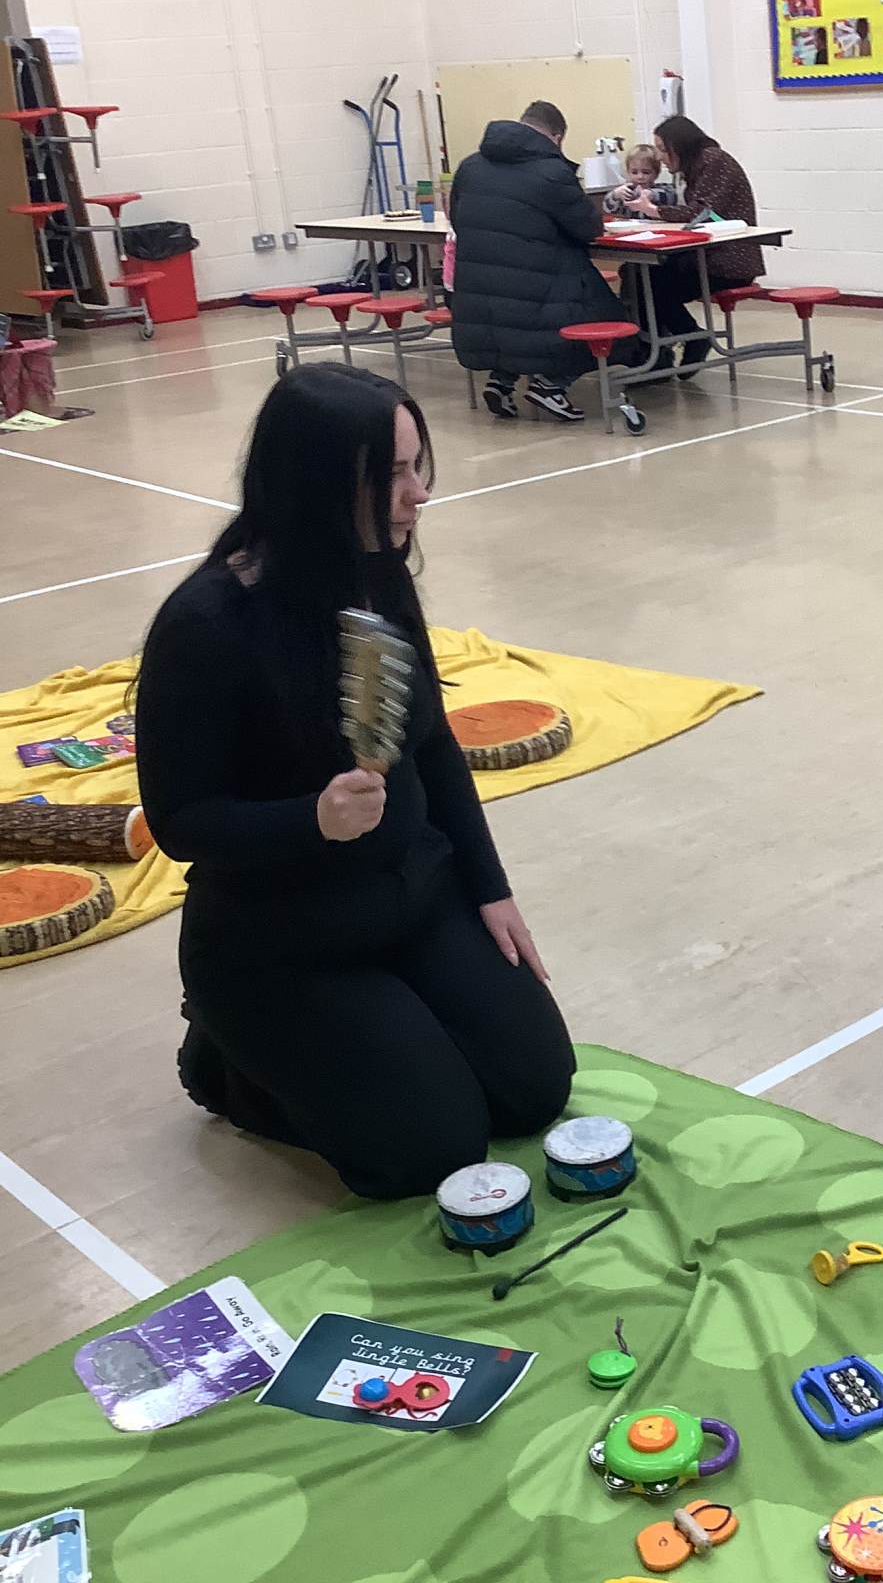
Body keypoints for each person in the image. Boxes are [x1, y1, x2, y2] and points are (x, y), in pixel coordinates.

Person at [135, 365, 575, 1199]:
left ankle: (392, 1029)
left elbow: (432, 743)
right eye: (393, 475)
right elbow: (180, 820)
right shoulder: (207, 624)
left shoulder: (376, 574)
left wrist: (489, 887)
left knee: (534, 1089)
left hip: (414, 898)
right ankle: (224, 1060)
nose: (419, 495)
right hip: (284, 941)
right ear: (318, 488)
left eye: (418, 466)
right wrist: (312, 820)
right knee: (434, 1150)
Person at [449, 99, 631, 423]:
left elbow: (458, 218)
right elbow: (588, 227)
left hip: (479, 291)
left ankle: (501, 381)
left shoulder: (469, 167)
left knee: (511, 324)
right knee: (608, 319)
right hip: (539, 288)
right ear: (557, 137)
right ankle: (552, 385)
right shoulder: (552, 172)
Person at [629, 115, 764, 373]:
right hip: (706, 256)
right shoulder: (697, 166)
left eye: (662, 149)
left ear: (678, 145)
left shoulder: (713, 161)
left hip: (727, 261)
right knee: (637, 273)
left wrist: (654, 211)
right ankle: (658, 350)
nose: (660, 157)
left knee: (647, 282)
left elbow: (702, 212)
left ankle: (676, 344)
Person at [602, 144, 679, 219]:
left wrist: (651, 194)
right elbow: (608, 210)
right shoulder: (627, 192)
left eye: (646, 172)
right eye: (634, 172)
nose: (640, 177)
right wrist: (615, 195)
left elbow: (671, 196)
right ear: (628, 172)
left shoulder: (664, 189)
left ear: (656, 173)